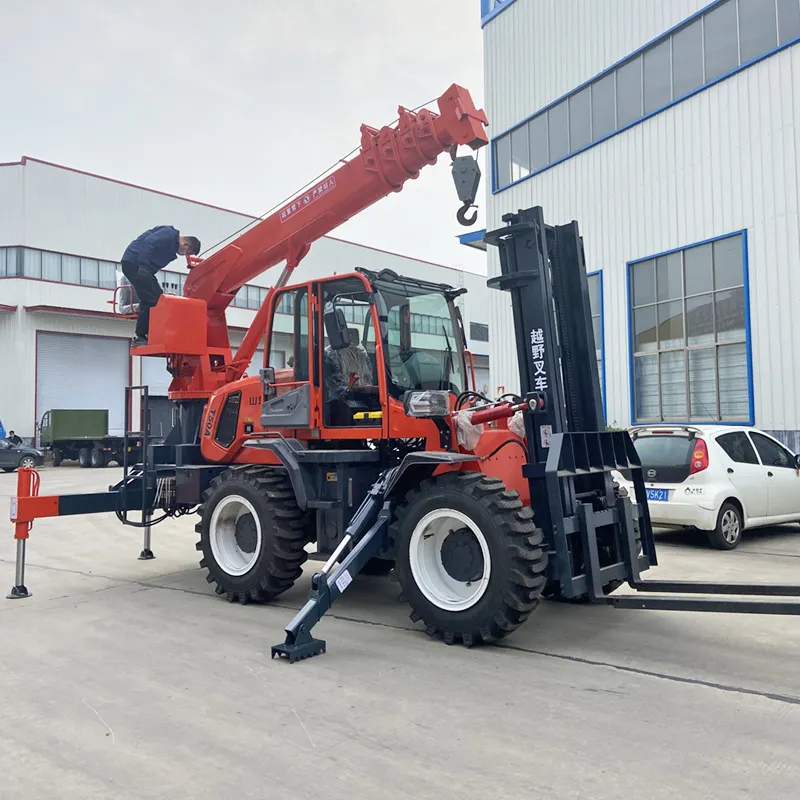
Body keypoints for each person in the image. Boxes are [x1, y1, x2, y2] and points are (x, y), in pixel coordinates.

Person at [121, 226, 201, 347]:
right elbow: (149, 243)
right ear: (186, 245)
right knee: (155, 300)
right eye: (187, 253)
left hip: (138, 266)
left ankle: (143, 336)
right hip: (136, 264)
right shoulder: (169, 234)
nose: (184, 255)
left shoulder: (170, 245)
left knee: (154, 299)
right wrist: (143, 266)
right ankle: (142, 336)